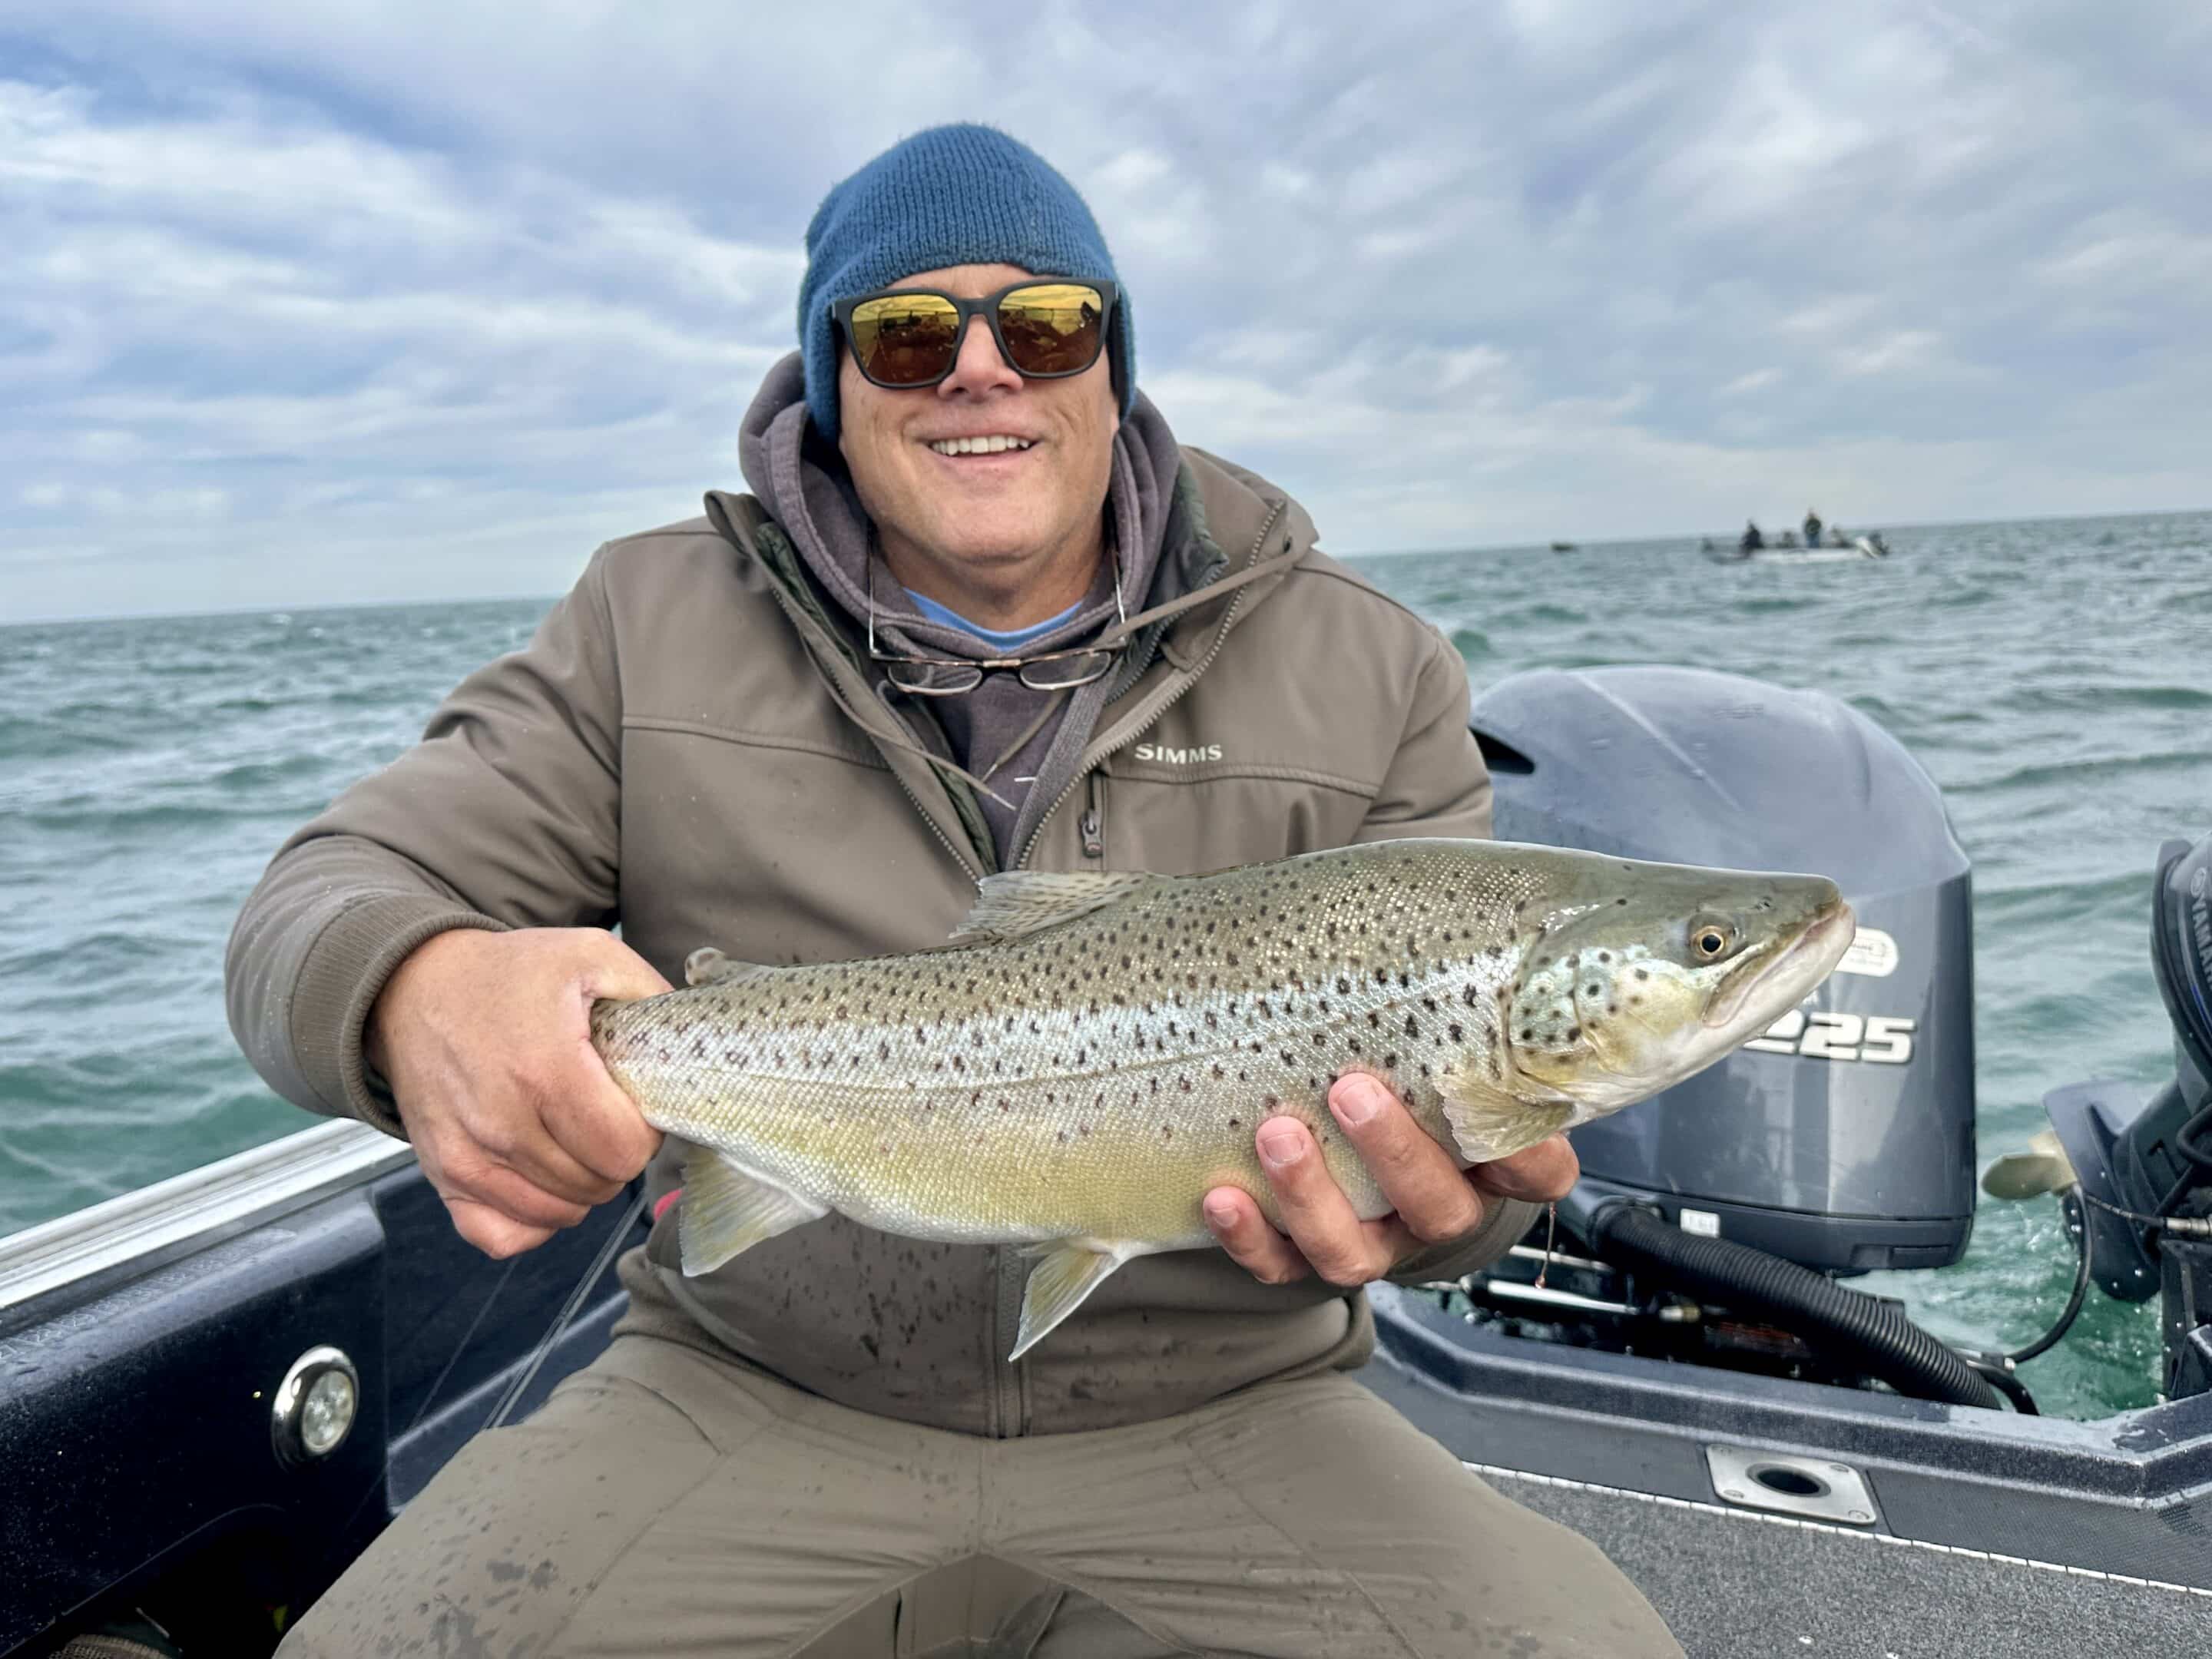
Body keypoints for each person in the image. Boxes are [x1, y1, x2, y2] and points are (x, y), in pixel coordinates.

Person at [229, 124, 1682, 1657]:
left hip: (1236, 1412)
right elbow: (319, 901)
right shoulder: (637, 622)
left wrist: (1436, 1229)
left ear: (1111, 369)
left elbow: (1463, 1210)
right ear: (830, 388)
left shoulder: (1369, 660)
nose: (982, 371)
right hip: (749, 1391)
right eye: (911, 334)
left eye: (1047, 324)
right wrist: (415, 986)